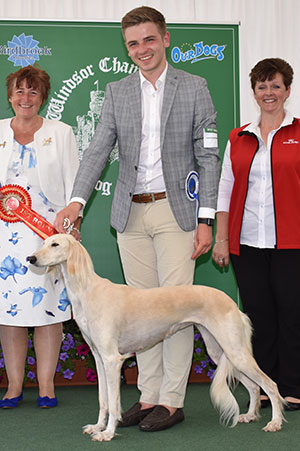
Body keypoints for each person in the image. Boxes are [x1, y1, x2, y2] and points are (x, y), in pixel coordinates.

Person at [54, 6, 220, 431]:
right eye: (133, 43)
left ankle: (172, 401)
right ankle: (147, 398)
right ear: (126, 49)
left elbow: (208, 156)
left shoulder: (195, 86)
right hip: (129, 213)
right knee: (141, 312)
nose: (142, 49)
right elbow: (97, 151)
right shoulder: (117, 91)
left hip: (176, 209)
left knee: (176, 306)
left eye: (149, 39)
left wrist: (206, 219)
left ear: (165, 39)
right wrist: (75, 200)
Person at [212, 57, 300, 411]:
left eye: (275, 86)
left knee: (292, 313)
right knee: (257, 315)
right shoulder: (239, 137)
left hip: (293, 242)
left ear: (287, 91)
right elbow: (224, 189)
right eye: (262, 87)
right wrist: (221, 238)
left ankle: (293, 386)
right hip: (246, 243)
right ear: (254, 92)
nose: (269, 93)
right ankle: (265, 386)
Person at [0, 65, 80, 408]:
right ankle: (14, 386)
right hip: (4, 237)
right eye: (20, 91)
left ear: (43, 97)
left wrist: (73, 232)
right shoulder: (0, 131)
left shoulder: (61, 133)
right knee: (10, 312)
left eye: (33, 92)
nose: (25, 98)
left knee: (49, 310)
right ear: (9, 96)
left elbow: (75, 185)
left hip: (48, 235)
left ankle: (46, 385)